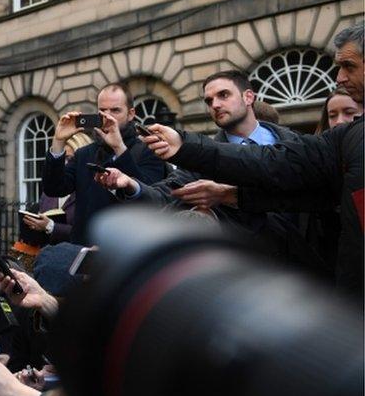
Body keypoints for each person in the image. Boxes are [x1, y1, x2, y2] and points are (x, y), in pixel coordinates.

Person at [139, 23, 364, 298]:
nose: (339, 78)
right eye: (209, 100)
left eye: (349, 66)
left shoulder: (296, 139)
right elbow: (279, 172)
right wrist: (190, 153)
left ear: (249, 97)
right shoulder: (342, 142)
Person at [93, 70, 326, 273]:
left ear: (248, 97)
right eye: (209, 100)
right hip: (254, 275)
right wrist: (131, 185)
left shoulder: (297, 144)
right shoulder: (200, 161)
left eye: (223, 95)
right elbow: (166, 194)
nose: (215, 104)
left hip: (317, 272)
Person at [41, 83, 167, 244]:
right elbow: (53, 188)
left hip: (127, 250)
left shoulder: (149, 151)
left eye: (115, 110)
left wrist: (119, 148)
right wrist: (58, 142)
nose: (108, 117)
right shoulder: (84, 153)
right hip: (84, 251)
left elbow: (150, 199)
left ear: (131, 114)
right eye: (103, 111)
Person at [15, 133, 91, 269]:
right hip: (47, 261)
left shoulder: (90, 190)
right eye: (63, 158)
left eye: (70, 158)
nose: (65, 164)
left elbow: (87, 233)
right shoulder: (50, 190)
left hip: (75, 264)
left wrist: (51, 226)